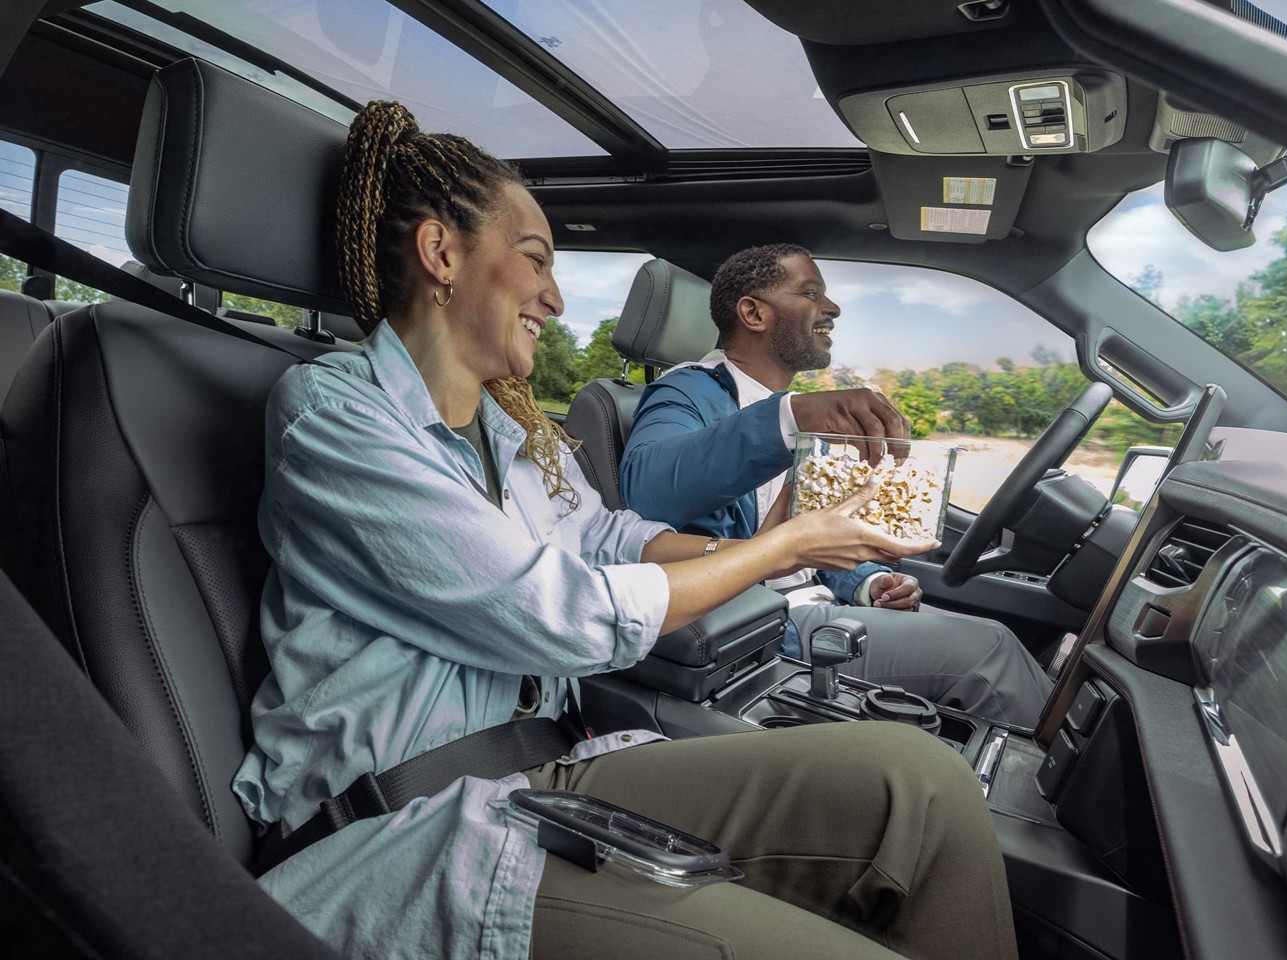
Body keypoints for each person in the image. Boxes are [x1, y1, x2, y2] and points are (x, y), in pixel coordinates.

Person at [232, 102, 1019, 960]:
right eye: (535, 259)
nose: (556, 296)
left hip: (547, 769)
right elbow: (552, 611)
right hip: (407, 819)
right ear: (442, 253)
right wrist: (783, 546)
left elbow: (610, 535)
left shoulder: (513, 432)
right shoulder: (334, 412)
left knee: (925, 784)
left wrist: (812, 545)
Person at [620, 244, 1053, 725]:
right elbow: (648, 489)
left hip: (817, 605)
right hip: (762, 621)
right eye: (810, 293)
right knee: (991, 650)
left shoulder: (794, 410)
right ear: (753, 312)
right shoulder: (688, 390)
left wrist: (868, 584)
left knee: (992, 640)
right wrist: (788, 418)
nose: (832, 308)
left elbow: (810, 534)